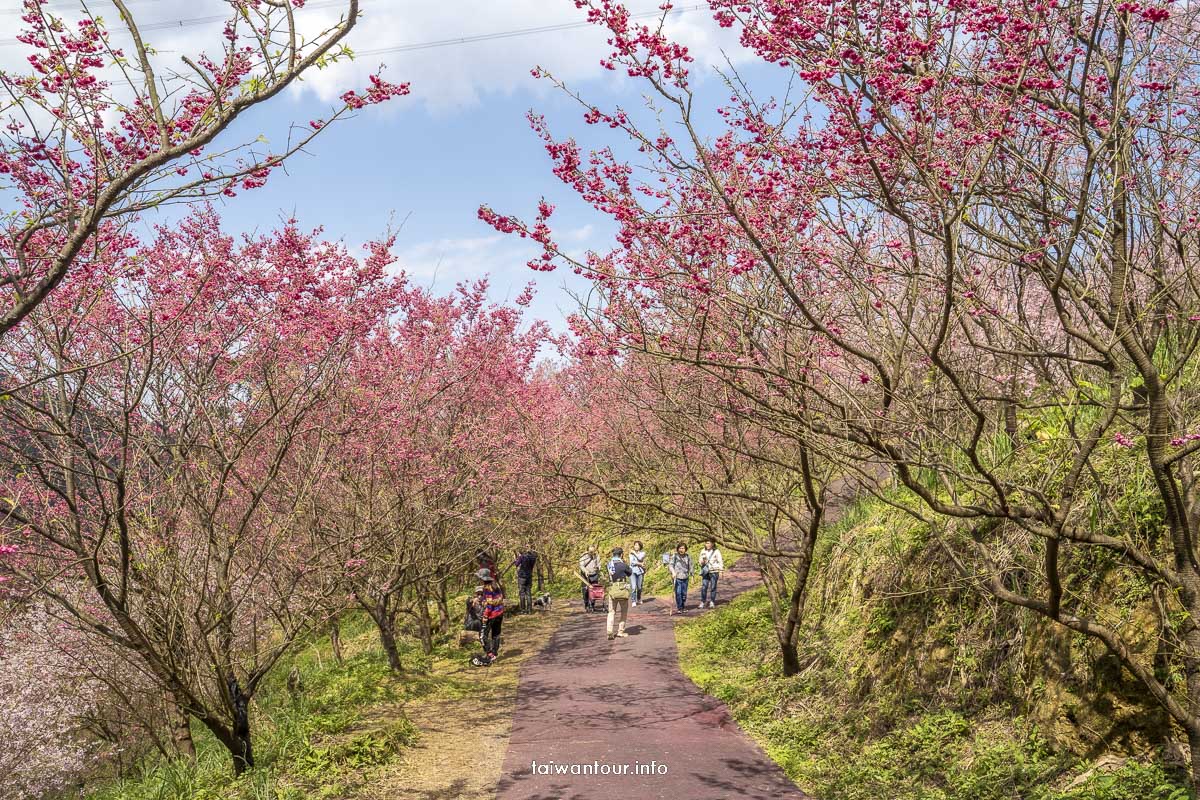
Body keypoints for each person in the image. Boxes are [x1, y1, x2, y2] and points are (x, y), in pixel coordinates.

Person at [472, 568, 505, 666]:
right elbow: (493, 599)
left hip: (492, 615)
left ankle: (490, 654)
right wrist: (480, 600)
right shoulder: (496, 585)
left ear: (483, 578)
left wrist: (485, 616)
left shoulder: (487, 588)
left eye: (479, 578)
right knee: (496, 634)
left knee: (482, 636)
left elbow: (490, 605)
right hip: (500, 613)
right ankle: (494, 654)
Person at [606, 547, 632, 640]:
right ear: (621, 555)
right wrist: (625, 563)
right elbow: (630, 573)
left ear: (613, 555)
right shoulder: (623, 565)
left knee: (611, 611)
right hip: (622, 589)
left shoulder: (609, 564)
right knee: (624, 611)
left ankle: (609, 630)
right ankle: (620, 631)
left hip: (613, 588)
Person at [699, 540, 724, 609]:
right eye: (706, 543)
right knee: (704, 587)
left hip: (714, 571)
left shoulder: (716, 551)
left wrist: (721, 571)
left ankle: (712, 601)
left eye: (709, 543)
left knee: (713, 587)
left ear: (713, 544)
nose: (707, 544)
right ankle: (702, 601)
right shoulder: (703, 551)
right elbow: (700, 562)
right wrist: (703, 561)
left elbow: (720, 561)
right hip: (706, 571)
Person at [668, 543, 692, 614]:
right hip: (677, 577)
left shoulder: (688, 556)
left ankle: (683, 606)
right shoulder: (675, 556)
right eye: (680, 548)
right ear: (678, 549)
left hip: (685, 577)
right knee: (678, 593)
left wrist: (692, 575)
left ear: (685, 549)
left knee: (684, 593)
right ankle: (679, 607)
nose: (682, 550)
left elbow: (690, 566)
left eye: (683, 548)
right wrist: (673, 572)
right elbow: (671, 565)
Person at [578, 545, 601, 612]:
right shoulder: (583, 556)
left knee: (594, 590)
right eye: (591, 551)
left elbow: (599, 564)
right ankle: (586, 604)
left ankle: (593, 605)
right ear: (587, 551)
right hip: (585, 575)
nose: (592, 552)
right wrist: (585, 571)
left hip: (594, 574)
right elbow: (581, 566)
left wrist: (598, 568)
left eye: (593, 551)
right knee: (585, 590)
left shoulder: (597, 556)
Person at [514, 548, 537, 613]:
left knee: (522, 593)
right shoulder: (533, 558)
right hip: (529, 577)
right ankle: (529, 610)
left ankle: (523, 610)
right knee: (528, 593)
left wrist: (517, 558)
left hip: (522, 577)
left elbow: (516, 564)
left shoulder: (522, 557)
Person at [628, 540, 647, 606]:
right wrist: (640, 564)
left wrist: (634, 553)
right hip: (632, 571)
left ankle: (638, 598)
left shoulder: (643, 553)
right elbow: (632, 562)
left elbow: (640, 558)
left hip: (640, 572)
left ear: (640, 547)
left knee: (639, 587)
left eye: (637, 545)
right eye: (635, 545)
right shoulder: (630, 554)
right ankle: (633, 600)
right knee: (633, 587)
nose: (636, 546)